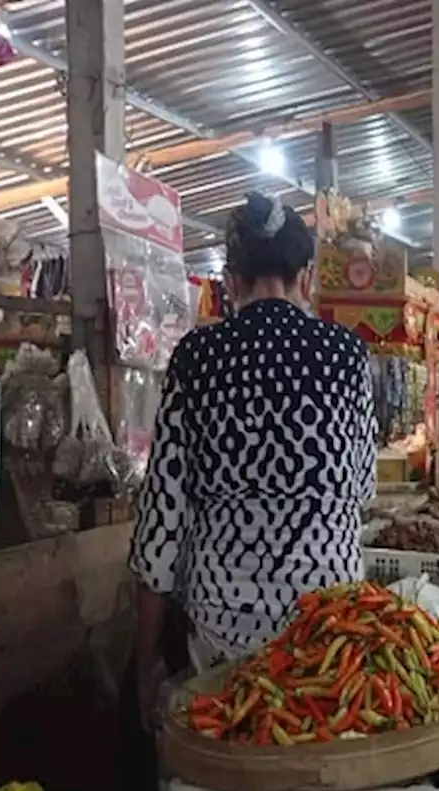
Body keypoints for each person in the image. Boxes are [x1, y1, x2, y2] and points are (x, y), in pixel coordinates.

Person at [129, 192, 379, 727]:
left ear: (230, 279)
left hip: (223, 638)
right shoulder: (348, 355)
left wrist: (144, 662)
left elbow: (161, 525)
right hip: (330, 627)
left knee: (231, 764)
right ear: (307, 277)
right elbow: (361, 489)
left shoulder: (197, 357)